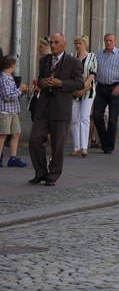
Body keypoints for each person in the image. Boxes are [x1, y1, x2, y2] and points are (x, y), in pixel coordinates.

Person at [28, 34, 84, 186]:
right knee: (35, 138)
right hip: (44, 106)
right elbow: (39, 78)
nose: (53, 45)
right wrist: (43, 82)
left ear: (64, 44)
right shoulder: (44, 60)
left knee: (58, 144)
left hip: (61, 108)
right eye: (51, 42)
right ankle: (40, 172)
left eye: (56, 42)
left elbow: (79, 83)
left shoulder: (74, 62)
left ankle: (53, 173)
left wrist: (61, 83)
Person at [92, 33, 119, 153]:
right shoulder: (98, 54)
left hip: (114, 87)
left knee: (113, 118)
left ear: (115, 41)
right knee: (97, 116)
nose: (108, 42)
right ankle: (104, 140)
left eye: (111, 40)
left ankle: (109, 146)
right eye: (106, 40)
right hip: (101, 88)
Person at [0, 55, 31, 168]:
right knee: (2, 134)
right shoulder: (3, 79)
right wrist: (19, 90)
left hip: (13, 110)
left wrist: (24, 91)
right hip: (4, 111)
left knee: (16, 133)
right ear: (12, 66)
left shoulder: (10, 78)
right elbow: (6, 96)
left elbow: (14, 94)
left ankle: (13, 158)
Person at [69, 35, 97, 158]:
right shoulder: (71, 57)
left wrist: (83, 86)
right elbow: (68, 74)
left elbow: (93, 74)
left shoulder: (92, 57)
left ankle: (84, 147)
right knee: (74, 119)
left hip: (88, 91)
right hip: (74, 91)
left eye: (80, 43)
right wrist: (74, 88)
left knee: (85, 118)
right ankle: (76, 147)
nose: (78, 45)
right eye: (76, 43)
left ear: (85, 44)